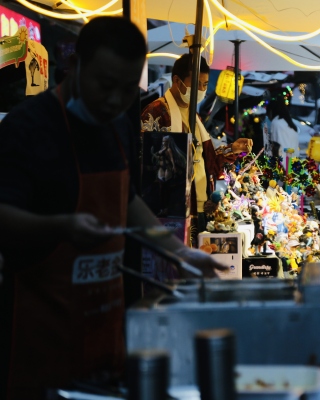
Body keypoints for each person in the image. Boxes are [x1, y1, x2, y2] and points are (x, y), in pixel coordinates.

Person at [0, 17, 227, 400]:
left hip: (106, 328)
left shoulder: (118, 126)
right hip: (40, 338)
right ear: (76, 66)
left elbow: (127, 200)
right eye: (105, 85)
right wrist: (60, 227)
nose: (114, 101)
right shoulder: (28, 127)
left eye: (126, 90)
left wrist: (179, 253)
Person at [141, 53, 252, 232]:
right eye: (196, 83)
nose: (201, 89)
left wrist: (232, 149)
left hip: (201, 208)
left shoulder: (195, 116)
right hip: (173, 211)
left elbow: (208, 162)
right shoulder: (157, 112)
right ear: (177, 81)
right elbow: (147, 165)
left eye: (205, 84)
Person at [267, 95, 300, 159]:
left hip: (285, 160)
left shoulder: (276, 123)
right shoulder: (287, 122)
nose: (268, 117)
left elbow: (275, 144)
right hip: (293, 158)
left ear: (271, 112)